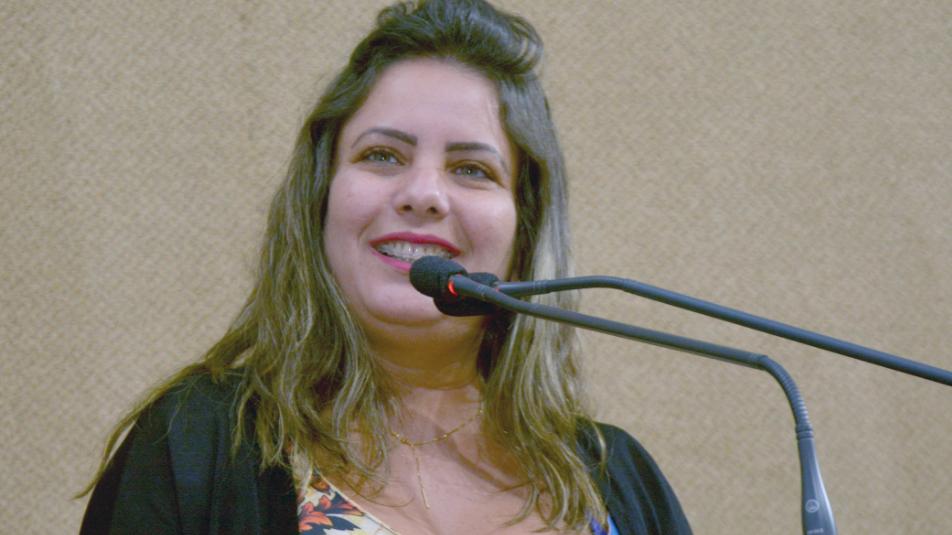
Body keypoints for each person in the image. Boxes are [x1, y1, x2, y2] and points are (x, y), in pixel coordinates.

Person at [79, 1, 691, 534]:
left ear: (523, 226)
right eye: (382, 155)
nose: (423, 194)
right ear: (320, 199)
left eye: (471, 169)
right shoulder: (197, 441)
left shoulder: (617, 477)